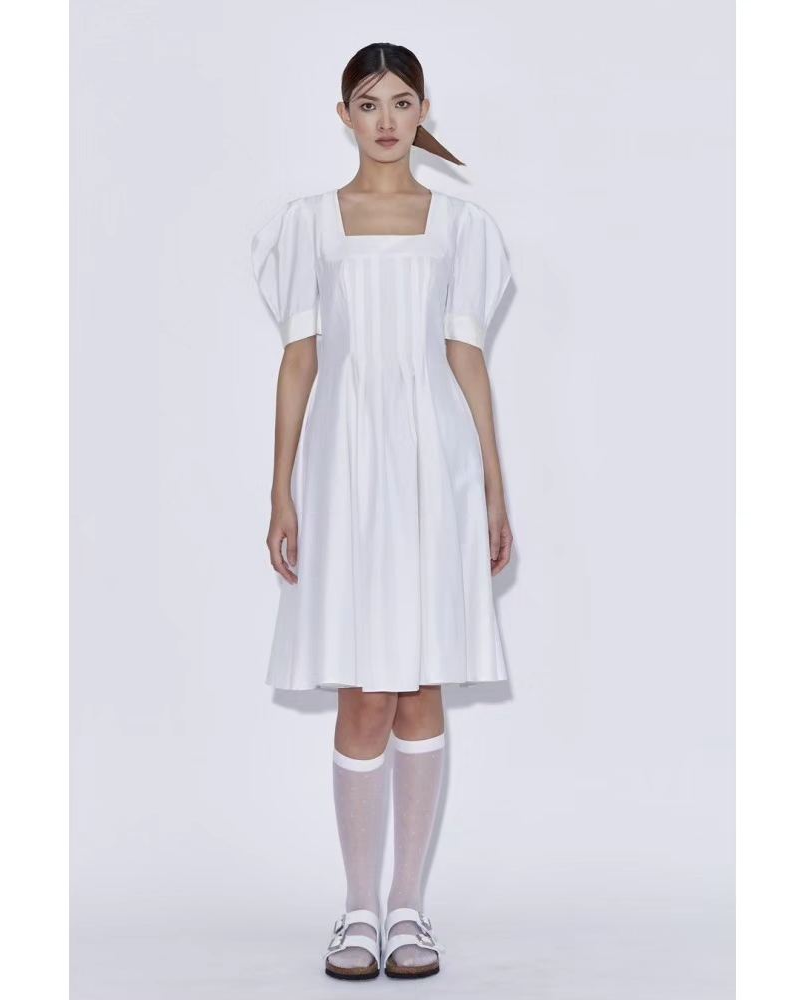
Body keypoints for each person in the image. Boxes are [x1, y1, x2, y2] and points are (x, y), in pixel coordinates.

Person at [250, 42, 515, 981]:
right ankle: (358, 910)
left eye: (403, 102)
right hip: (346, 465)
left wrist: (493, 481)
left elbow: (465, 357)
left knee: (420, 687)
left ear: (424, 108)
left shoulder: (460, 227)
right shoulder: (310, 224)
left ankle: (409, 909)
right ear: (344, 115)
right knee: (364, 689)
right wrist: (281, 485)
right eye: (369, 103)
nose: (388, 120)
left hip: (434, 462)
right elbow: (299, 361)